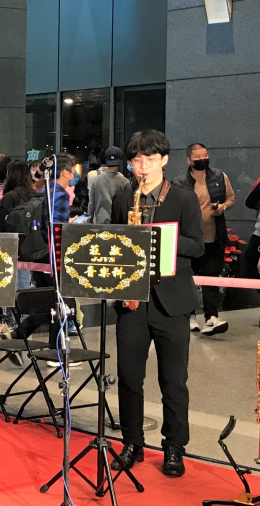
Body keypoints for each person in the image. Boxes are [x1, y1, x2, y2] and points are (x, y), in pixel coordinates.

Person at [110, 130, 204, 479]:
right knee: (129, 377)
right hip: (132, 302)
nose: (142, 167)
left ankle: (174, 447)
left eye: (149, 160)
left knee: (174, 381)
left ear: (164, 160)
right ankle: (132, 441)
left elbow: (198, 246)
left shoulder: (183, 198)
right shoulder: (123, 199)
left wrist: (161, 241)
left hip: (171, 302)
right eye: (136, 161)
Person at [173, 143, 235, 336]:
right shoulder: (179, 182)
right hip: (190, 240)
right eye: (197, 157)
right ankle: (189, 316)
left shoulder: (219, 177)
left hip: (215, 237)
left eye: (205, 155)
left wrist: (222, 207)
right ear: (188, 160)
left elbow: (231, 199)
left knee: (211, 278)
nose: (202, 159)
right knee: (189, 278)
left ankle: (211, 317)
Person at [0, 159, 46, 337]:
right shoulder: (34, 194)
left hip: (10, 245)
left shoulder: (10, 196)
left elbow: (1, 225)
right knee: (25, 284)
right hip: (31, 246)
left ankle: (11, 321)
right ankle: (25, 320)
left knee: (9, 284)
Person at [86, 146, 130, 224]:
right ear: (120, 160)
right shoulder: (124, 181)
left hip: (100, 222)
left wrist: (89, 222)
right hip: (118, 224)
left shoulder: (97, 179)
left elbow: (91, 204)